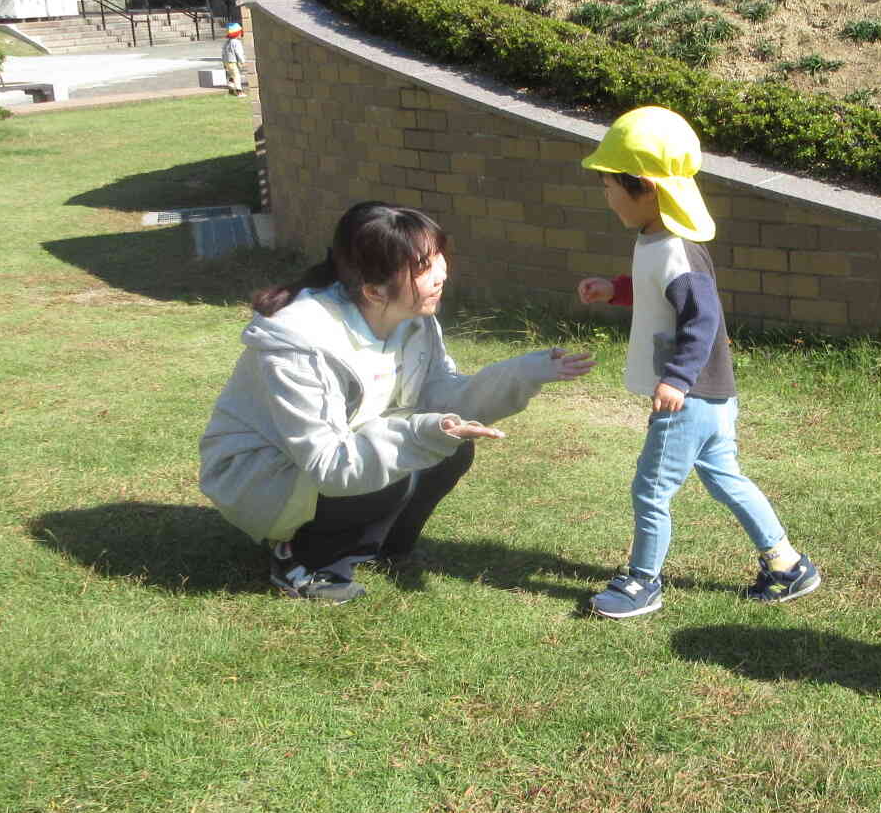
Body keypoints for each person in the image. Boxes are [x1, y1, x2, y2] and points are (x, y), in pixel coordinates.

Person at [201, 201, 595, 602]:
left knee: (451, 449)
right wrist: (420, 433)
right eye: (423, 266)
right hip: (261, 474)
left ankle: (379, 545)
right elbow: (329, 465)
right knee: (396, 469)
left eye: (438, 255)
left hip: (334, 452)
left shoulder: (414, 318)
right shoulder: (300, 342)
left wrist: (526, 371)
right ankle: (302, 558)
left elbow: (444, 396)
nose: (441, 273)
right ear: (374, 290)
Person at [575, 106, 820, 620]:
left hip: (689, 398)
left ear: (643, 187)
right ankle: (787, 564)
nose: (604, 194)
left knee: (651, 488)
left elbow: (701, 319)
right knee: (725, 478)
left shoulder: (677, 252)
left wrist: (677, 379)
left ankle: (643, 583)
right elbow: (659, 298)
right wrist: (614, 289)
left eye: (609, 185)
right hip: (713, 395)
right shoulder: (656, 242)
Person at [221, 21, 247, 96]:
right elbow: (239, 52)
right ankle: (239, 91)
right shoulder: (236, 42)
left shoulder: (227, 42)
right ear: (238, 33)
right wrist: (243, 60)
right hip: (233, 62)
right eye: (240, 32)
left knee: (231, 75)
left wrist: (224, 63)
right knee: (237, 75)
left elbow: (223, 53)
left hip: (227, 62)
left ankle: (231, 89)